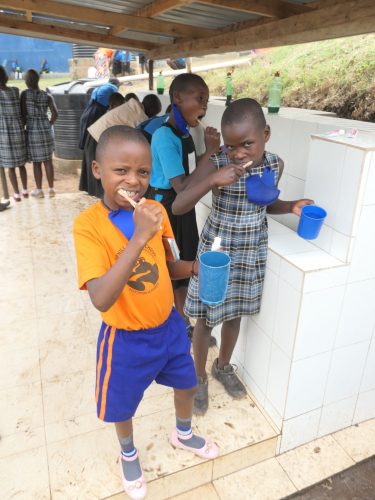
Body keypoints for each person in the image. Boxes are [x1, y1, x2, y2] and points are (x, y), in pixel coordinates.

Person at [73, 125, 218, 499]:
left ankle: (182, 432)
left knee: (187, 382)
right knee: (121, 404)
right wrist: (138, 237)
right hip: (124, 337)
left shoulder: (155, 212)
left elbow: (166, 268)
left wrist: (193, 267)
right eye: (121, 170)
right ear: (97, 170)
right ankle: (128, 453)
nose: (133, 181)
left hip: (168, 327)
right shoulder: (88, 227)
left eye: (142, 171)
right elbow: (101, 298)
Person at [172, 98, 314, 415]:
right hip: (217, 252)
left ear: (266, 133)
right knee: (206, 319)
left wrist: (289, 205)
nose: (238, 153)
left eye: (247, 143)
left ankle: (223, 367)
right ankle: (197, 378)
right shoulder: (217, 160)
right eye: (231, 145)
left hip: (250, 250)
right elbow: (179, 205)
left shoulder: (275, 164)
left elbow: (265, 203)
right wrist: (212, 179)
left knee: (235, 314)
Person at [149, 73, 220, 336]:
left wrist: (210, 152)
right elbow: (181, 186)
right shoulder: (164, 136)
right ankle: (178, 323)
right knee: (174, 266)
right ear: (177, 98)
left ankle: (183, 321)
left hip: (183, 205)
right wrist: (211, 155)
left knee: (186, 262)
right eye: (200, 99)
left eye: (207, 100)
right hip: (168, 207)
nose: (205, 106)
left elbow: (193, 170)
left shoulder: (186, 132)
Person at [79, 79, 119, 197]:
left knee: (89, 151)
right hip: (97, 115)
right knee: (95, 153)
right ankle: (97, 189)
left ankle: (88, 186)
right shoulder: (113, 89)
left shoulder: (102, 87)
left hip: (89, 113)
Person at [21, 69, 58, 198]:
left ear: (27, 82)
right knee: (48, 160)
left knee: (37, 162)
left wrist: (24, 125)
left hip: (32, 130)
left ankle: (39, 190)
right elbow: (55, 114)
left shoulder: (25, 95)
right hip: (46, 129)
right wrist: (49, 124)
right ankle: (51, 189)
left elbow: (23, 114)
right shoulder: (47, 95)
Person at [0, 65, 28, 202]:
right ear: (6, 77)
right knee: (21, 163)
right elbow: (22, 113)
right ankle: (25, 190)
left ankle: (16, 194)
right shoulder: (15, 90)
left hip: (3, 133)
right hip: (17, 129)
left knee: (10, 166)